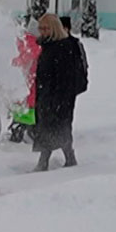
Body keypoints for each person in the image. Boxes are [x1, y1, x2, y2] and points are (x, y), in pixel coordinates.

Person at [33, 14, 86, 171]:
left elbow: (67, 76)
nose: (42, 31)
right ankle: (68, 158)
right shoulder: (47, 45)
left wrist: (58, 97)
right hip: (46, 94)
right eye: (40, 28)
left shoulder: (63, 48)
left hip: (59, 97)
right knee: (51, 127)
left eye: (46, 28)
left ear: (54, 28)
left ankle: (47, 162)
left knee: (56, 126)